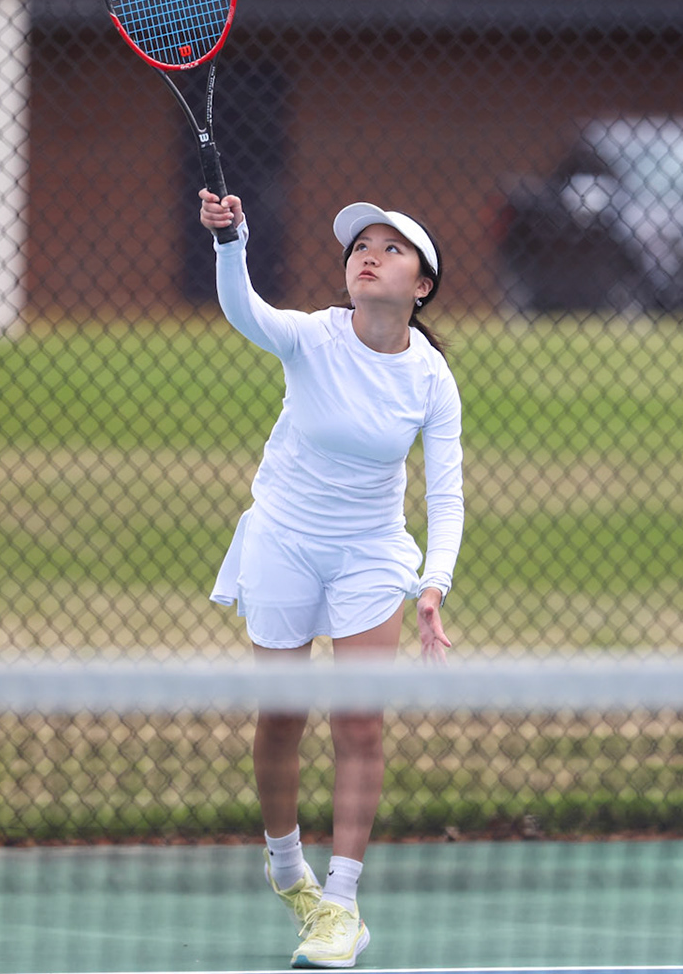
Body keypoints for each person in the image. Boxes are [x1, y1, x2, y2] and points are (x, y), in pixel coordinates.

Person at [198, 188, 462, 970]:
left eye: (390, 248)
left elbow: (444, 490)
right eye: (358, 248)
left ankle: (342, 903)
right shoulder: (312, 337)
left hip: (371, 554)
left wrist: (433, 587)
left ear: (421, 285)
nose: (367, 256)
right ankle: (287, 870)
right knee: (282, 718)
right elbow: (246, 311)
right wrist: (231, 240)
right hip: (282, 538)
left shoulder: (429, 377)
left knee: (360, 724)